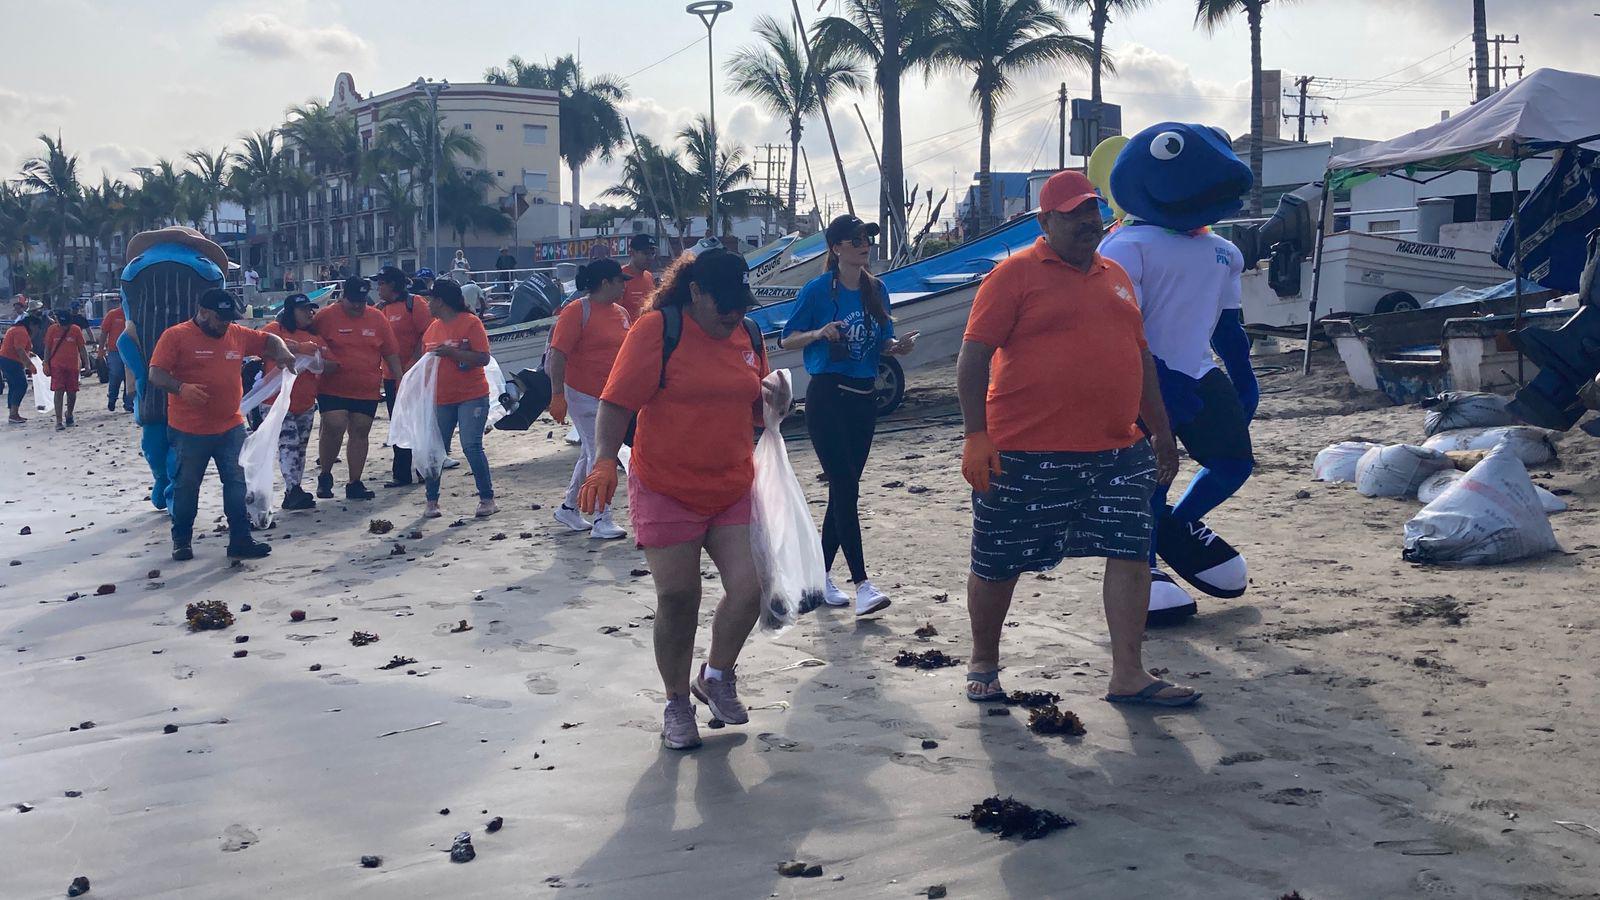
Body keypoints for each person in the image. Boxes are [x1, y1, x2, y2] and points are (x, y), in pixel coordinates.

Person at [956, 170, 1198, 708]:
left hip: (1117, 450)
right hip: (1024, 451)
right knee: (998, 559)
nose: (1088, 222)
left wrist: (1161, 430)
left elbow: (1139, 357)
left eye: (1092, 211)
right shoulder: (1013, 275)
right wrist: (976, 435)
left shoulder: (1115, 274)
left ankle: (1129, 674)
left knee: (1131, 550)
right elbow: (973, 358)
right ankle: (984, 662)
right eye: (1073, 214)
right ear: (1045, 221)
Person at [577, 247, 781, 751]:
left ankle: (715, 675)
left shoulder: (748, 333)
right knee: (678, 597)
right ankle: (675, 703)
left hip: (732, 482)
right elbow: (615, 402)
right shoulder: (657, 331)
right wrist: (604, 460)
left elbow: (755, 404)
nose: (734, 314)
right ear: (695, 292)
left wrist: (775, 401)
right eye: (724, 305)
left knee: (752, 588)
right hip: (666, 485)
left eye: (741, 304)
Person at [1099, 122, 1257, 624]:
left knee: (1234, 461)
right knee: (1152, 479)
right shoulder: (1127, 246)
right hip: (1144, 377)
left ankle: (1176, 526)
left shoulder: (1224, 251)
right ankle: (1144, 569)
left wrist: (1243, 374)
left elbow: (1229, 324)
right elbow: (1119, 327)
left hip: (1198, 369)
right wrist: (1153, 385)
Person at [779, 215, 917, 617]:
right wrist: (820, 333)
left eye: (866, 240)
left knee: (846, 490)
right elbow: (787, 338)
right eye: (855, 240)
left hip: (863, 398)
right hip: (828, 396)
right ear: (836, 247)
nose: (863, 245)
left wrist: (896, 346)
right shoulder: (818, 290)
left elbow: (881, 340)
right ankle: (863, 585)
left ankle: (818, 579)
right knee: (844, 487)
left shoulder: (877, 290)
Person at [148, 288, 295, 561]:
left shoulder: (236, 334)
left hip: (230, 425)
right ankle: (182, 539)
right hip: (188, 428)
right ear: (202, 312)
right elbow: (156, 373)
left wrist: (283, 352)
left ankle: (240, 539)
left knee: (237, 483)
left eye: (229, 319)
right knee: (186, 486)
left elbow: (270, 340)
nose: (224, 324)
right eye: (219, 318)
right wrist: (181, 388)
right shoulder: (176, 336)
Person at [547, 258, 632, 540]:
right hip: (583, 393)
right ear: (606, 283)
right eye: (620, 281)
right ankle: (601, 518)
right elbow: (557, 354)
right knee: (601, 454)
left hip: (612, 395)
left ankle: (569, 507)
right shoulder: (576, 311)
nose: (624, 286)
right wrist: (557, 394)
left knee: (589, 452)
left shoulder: (620, 312)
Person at [311, 276, 402, 500]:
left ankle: (355, 482)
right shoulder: (325, 317)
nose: (358, 306)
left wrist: (401, 381)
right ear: (343, 297)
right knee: (335, 425)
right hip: (332, 386)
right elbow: (308, 340)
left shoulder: (377, 318)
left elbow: (391, 353)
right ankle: (325, 474)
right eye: (353, 301)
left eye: (362, 300)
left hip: (366, 387)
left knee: (361, 430)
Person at [418, 278, 497, 519]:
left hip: (472, 395)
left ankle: (487, 498)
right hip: (441, 397)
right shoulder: (433, 328)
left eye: (431, 298)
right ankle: (431, 501)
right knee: (436, 448)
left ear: (441, 301)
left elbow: (483, 358)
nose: (428, 303)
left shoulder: (471, 323)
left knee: (471, 445)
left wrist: (453, 353)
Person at [261, 293, 332, 511]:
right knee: (288, 443)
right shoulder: (274, 330)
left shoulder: (316, 338)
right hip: (275, 400)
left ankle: (294, 489)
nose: (309, 313)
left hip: (305, 402)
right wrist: (300, 349)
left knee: (300, 447)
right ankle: (293, 489)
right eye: (303, 310)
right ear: (291, 312)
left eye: (311, 309)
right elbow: (263, 345)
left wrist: (317, 360)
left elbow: (332, 364)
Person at [375, 266, 433, 488]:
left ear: (392, 285)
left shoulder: (415, 303)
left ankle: (423, 469)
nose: (378, 288)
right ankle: (401, 474)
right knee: (398, 423)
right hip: (391, 376)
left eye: (381, 283)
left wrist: (414, 364)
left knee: (418, 421)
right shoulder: (381, 309)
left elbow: (427, 333)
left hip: (414, 374)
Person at [44, 309, 91, 430]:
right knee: (58, 391)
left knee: (72, 393)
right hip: (57, 366)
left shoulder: (75, 330)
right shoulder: (52, 330)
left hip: (73, 366)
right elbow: (48, 348)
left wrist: (87, 364)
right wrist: (46, 363)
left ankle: (69, 414)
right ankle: (58, 421)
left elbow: (82, 348)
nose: (64, 327)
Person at [99, 295, 133, 413]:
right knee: (115, 375)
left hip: (131, 351)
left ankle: (128, 403)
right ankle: (112, 398)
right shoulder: (112, 315)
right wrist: (101, 350)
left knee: (129, 377)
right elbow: (104, 333)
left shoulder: (133, 315)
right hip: (114, 351)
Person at [1, 314, 35, 424]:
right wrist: (30, 365)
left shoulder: (15, 329)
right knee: (21, 385)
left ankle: (13, 412)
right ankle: (13, 413)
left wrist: (29, 354)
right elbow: (19, 349)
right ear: (31, 325)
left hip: (6, 359)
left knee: (13, 386)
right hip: (11, 361)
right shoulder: (21, 331)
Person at [619, 233, 659, 320]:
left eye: (652, 254)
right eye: (646, 253)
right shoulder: (620, 276)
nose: (650, 257)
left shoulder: (649, 277)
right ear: (632, 253)